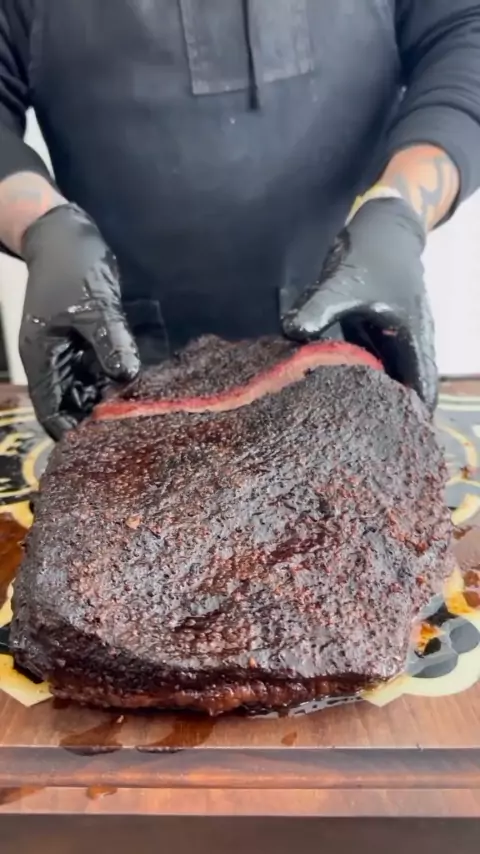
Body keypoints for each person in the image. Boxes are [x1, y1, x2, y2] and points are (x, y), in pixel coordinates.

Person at [0, 1, 479, 439]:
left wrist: (401, 208)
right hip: (118, 363)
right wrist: (43, 227)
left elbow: (464, 35)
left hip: (349, 345)